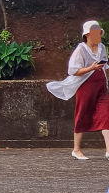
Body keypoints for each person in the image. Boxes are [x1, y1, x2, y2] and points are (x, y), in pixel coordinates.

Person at [46, 20, 109, 160]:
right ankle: (76, 149)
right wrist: (91, 68)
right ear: (87, 34)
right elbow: (73, 70)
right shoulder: (81, 49)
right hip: (85, 86)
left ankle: (108, 150)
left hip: (101, 86)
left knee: (106, 115)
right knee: (82, 114)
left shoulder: (102, 47)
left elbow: (105, 65)